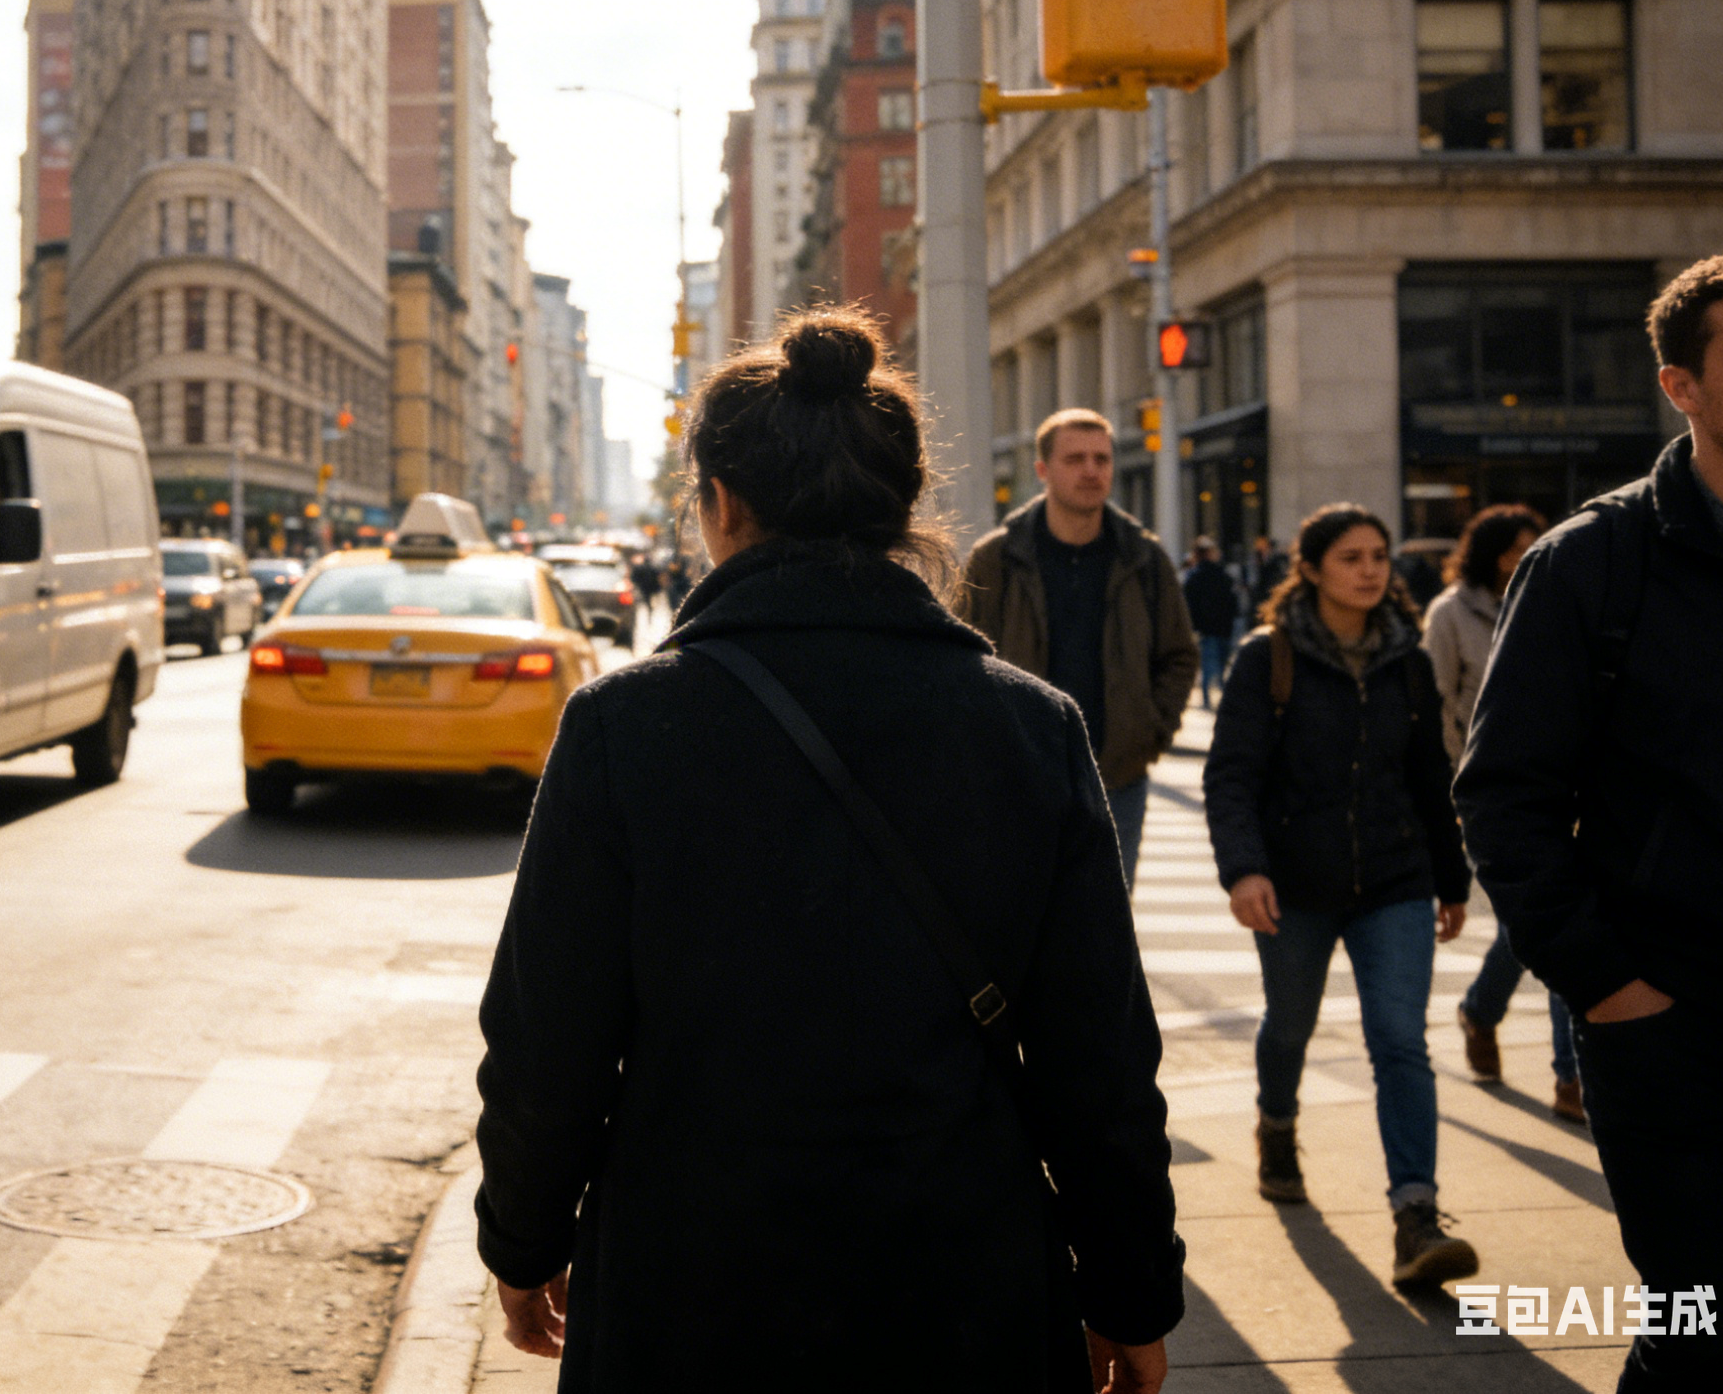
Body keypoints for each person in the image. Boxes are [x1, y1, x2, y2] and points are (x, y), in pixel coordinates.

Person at [475, 308, 1183, 1393]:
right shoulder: (1028, 728)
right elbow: (1100, 1058)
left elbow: (547, 1037)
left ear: (718, 505)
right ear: (905, 507)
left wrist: (523, 1241)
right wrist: (1130, 1290)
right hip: (961, 1278)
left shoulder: (625, 728)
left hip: (693, 1285)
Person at [1458, 246, 1723, 1392]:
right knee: (1713, 1338)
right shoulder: (1594, 565)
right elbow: (1506, 801)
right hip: (1678, 1036)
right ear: (1681, 385)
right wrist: (1613, 993)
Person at [1202, 503, 1478, 1289]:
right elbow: (1231, 776)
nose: (1370, 568)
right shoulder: (1270, 658)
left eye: (1380, 555)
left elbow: (1431, 777)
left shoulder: (1408, 661)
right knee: (1290, 1023)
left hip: (1395, 880)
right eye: (1352, 556)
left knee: (1400, 1040)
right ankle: (1278, 1124)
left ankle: (1416, 1215)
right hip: (1295, 884)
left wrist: (1451, 878)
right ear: (1313, 566)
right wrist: (1244, 868)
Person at [957, 409, 1197, 890]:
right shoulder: (996, 558)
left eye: (1101, 459)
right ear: (1043, 470)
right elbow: (961, 658)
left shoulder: (1144, 558)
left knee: (1104, 928)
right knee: (1019, 921)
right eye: (1075, 459)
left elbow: (1178, 655)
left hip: (1116, 780)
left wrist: (1150, 731)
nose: (1092, 471)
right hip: (1020, 781)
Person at [1422, 505, 1577, 1120]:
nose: (1523, 557)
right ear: (1487, 552)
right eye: (1513, 549)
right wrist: (1449, 791)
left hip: (1563, 788)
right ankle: (1564, 1069)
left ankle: (1495, 1022)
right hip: (1484, 792)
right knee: (1544, 912)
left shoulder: (1554, 597)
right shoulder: (1451, 613)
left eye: (1531, 546)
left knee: (1550, 913)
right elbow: (1432, 710)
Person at [1181, 536, 1240, 709]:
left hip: (1205, 628)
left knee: (1208, 663)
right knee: (1221, 662)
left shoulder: (1193, 576)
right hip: (1223, 626)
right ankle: (1221, 696)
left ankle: (1207, 697)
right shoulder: (1222, 574)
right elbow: (1231, 600)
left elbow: (1188, 604)